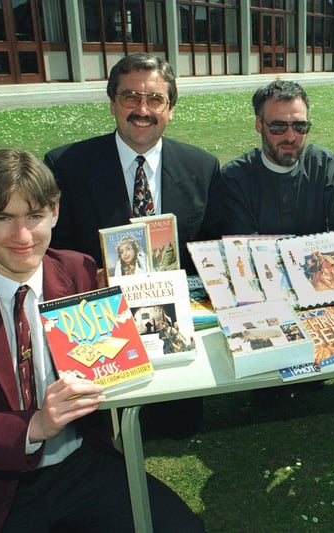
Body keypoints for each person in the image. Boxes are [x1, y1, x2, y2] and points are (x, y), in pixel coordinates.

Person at [0, 149, 204, 532]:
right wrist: (33, 426)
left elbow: (122, 356)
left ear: (55, 212)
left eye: (34, 216)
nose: (22, 236)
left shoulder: (79, 272)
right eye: (3, 218)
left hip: (81, 463)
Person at [44, 52, 220, 438]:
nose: (143, 109)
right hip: (98, 319)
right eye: (130, 97)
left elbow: (207, 251)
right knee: (103, 434)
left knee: (179, 427)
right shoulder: (67, 165)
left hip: (174, 321)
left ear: (170, 109)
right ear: (112, 103)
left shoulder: (202, 168)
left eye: (156, 99)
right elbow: (54, 254)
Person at [212, 79, 334, 236]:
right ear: (259, 124)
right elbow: (244, 245)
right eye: (278, 127)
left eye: (300, 126)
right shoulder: (235, 178)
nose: (290, 137)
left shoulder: (325, 165)